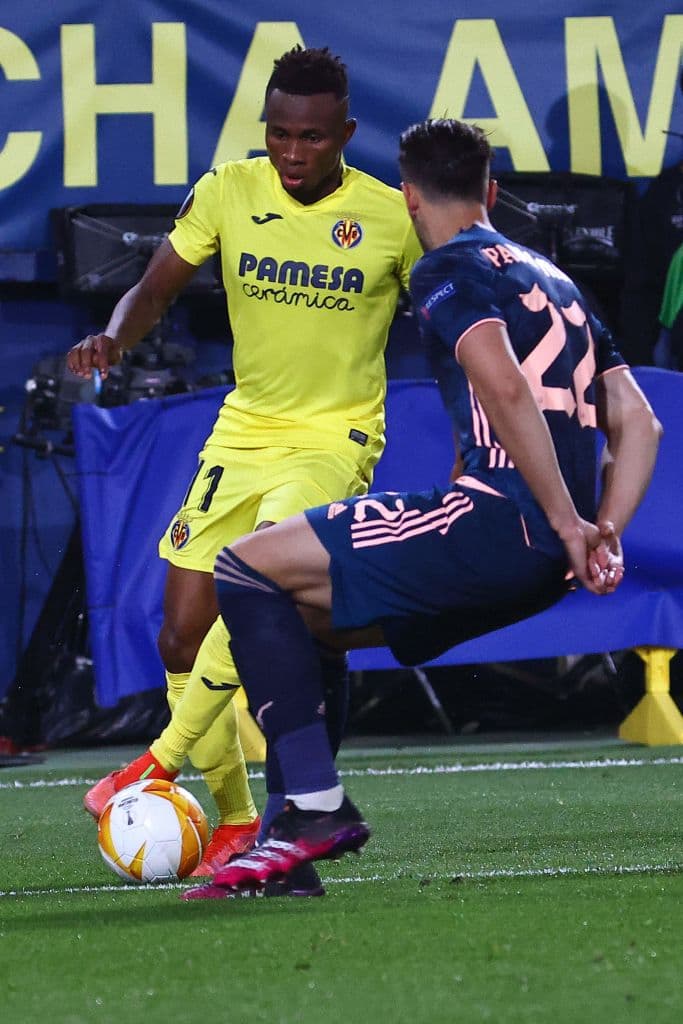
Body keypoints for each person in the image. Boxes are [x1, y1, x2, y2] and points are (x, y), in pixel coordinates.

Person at [181, 117, 662, 900]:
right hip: (542, 554)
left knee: (245, 567)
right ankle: (288, 856)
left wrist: (563, 520)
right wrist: (600, 527)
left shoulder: (445, 271)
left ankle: (310, 806)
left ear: (407, 196)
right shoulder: (558, 282)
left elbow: (503, 385)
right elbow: (638, 420)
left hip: (494, 520)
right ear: (491, 193)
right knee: (307, 615)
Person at [67, 46, 421, 890]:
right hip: (243, 433)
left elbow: (453, 316)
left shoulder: (390, 217)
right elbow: (155, 286)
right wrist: (117, 335)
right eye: (278, 135)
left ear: (345, 133)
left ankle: (156, 762)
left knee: (254, 581)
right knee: (181, 632)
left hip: (335, 439)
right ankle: (231, 819)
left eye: (310, 138)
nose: (292, 153)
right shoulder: (228, 189)